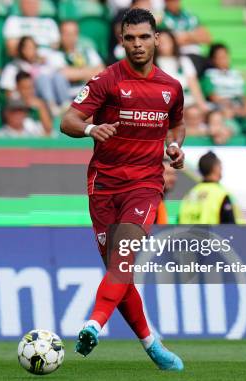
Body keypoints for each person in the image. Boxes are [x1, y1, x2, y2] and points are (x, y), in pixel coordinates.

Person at [60, 8, 184, 371]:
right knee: (119, 269)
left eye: (144, 37)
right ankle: (151, 344)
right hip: (104, 186)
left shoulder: (170, 87)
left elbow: (176, 126)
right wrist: (89, 130)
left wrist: (174, 148)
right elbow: (67, 120)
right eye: (130, 38)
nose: (137, 44)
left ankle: (93, 324)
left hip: (144, 185)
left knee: (123, 258)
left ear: (157, 39)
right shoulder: (107, 81)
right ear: (121, 41)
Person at [0, 36, 70, 112]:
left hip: (48, 98)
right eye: (26, 48)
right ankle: (52, 107)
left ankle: (67, 106)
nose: (30, 51)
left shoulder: (41, 65)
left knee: (58, 76)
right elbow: (8, 93)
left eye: (32, 47)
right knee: (42, 78)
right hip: (26, 100)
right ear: (21, 49)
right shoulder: (12, 67)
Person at [178, 151, 241, 224]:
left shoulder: (190, 194)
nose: (221, 169)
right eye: (220, 166)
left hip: (187, 235)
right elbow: (230, 226)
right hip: (211, 234)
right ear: (215, 168)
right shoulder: (220, 194)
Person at [155, 30, 207, 111]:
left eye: (166, 41)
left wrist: (202, 106)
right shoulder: (152, 64)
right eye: (160, 42)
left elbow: (194, 86)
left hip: (189, 104)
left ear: (173, 43)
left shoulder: (184, 60)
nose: (163, 45)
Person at [201, 43, 246, 124]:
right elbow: (214, 98)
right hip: (221, 109)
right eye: (219, 58)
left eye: (225, 56)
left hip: (238, 108)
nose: (223, 60)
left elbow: (245, 97)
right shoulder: (208, 76)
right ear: (212, 60)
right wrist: (232, 109)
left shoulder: (237, 74)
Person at [160, 0, 211, 74]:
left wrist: (186, 36)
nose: (174, 3)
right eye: (170, 1)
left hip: (198, 55)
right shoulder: (162, 18)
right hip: (179, 55)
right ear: (165, 2)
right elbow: (172, 41)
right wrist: (194, 35)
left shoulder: (191, 16)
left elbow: (207, 38)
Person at [58, 20, 105, 97]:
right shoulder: (55, 54)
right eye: (67, 34)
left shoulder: (88, 51)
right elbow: (63, 74)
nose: (71, 37)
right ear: (61, 35)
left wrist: (77, 73)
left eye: (74, 33)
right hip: (70, 97)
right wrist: (90, 71)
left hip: (93, 94)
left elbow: (102, 71)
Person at [14, 71, 53, 135]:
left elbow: (48, 130)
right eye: (24, 88)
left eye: (31, 87)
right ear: (17, 88)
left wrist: (41, 108)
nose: (29, 92)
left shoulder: (41, 104)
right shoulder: (12, 106)